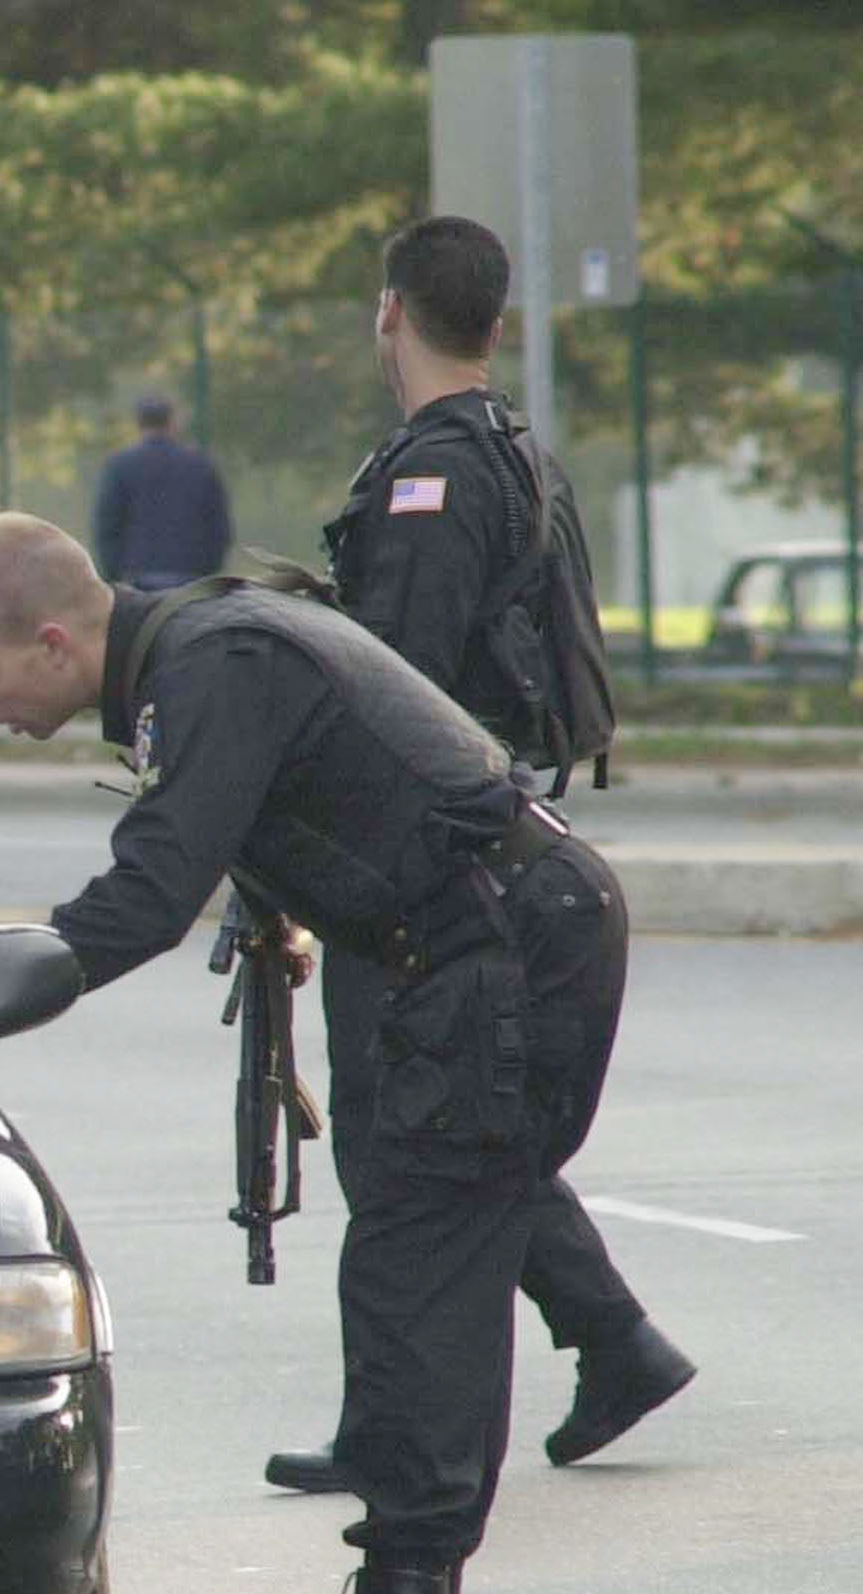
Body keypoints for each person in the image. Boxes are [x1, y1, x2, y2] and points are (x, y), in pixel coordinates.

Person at [0, 511, 629, 1594]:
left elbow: (148, 889)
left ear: (50, 640)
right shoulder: (199, 649)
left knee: (420, 1277)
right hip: (484, 950)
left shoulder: (213, 664)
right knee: (428, 1261)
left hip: (505, 954)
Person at [261, 215, 695, 1498]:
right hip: (495, 832)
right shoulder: (514, 448)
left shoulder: (429, 479)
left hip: (427, 855)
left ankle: (448, 1407)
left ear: (388, 309)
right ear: (494, 320)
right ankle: (607, 1344)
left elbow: (381, 687)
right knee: (450, 1137)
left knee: (405, 1151)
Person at [90, 391, 231, 590]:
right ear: (172, 422)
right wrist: (208, 572)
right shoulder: (200, 465)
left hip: (137, 580)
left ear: (139, 423)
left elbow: (107, 526)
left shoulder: (119, 465)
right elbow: (219, 528)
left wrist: (114, 575)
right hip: (191, 579)